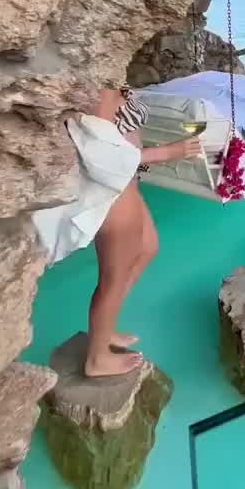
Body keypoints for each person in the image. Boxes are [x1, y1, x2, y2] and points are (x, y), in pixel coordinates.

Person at [84, 86, 202, 378]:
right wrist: (168, 153)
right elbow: (101, 154)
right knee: (113, 279)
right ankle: (96, 359)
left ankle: (105, 330)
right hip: (113, 190)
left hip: (128, 185)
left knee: (147, 249)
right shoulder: (103, 88)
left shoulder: (115, 77)